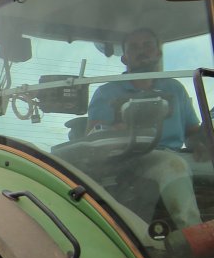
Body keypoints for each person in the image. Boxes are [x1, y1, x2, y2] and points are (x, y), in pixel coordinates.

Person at [84, 27, 203, 230]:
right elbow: (94, 133)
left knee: (181, 162)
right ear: (125, 58)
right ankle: (195, 237)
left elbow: (192, 132)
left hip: (178, 154)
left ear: (158, 53)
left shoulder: (174, 89)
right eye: (134, 47)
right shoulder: (108, 92)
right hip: (130, 158)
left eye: (148, 45)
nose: (142, 51)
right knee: (173, 166)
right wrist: (119, 130)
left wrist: (203, 143)